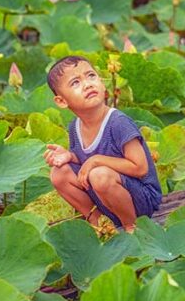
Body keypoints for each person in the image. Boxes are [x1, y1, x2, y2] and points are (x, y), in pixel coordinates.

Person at [43, 55, 162, 233]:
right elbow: (85, 160)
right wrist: (70, 156)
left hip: (141, 200)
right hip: (105, 197)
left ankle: (131, 228)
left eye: (91, 76)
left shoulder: (118, 122)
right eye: (75, 82)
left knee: (99, 174)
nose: (87, 84)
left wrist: (97, 160)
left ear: (102, 82)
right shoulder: (75, 127)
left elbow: (140, 168)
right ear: (61, 101)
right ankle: (99, 222)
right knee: (58, 174)